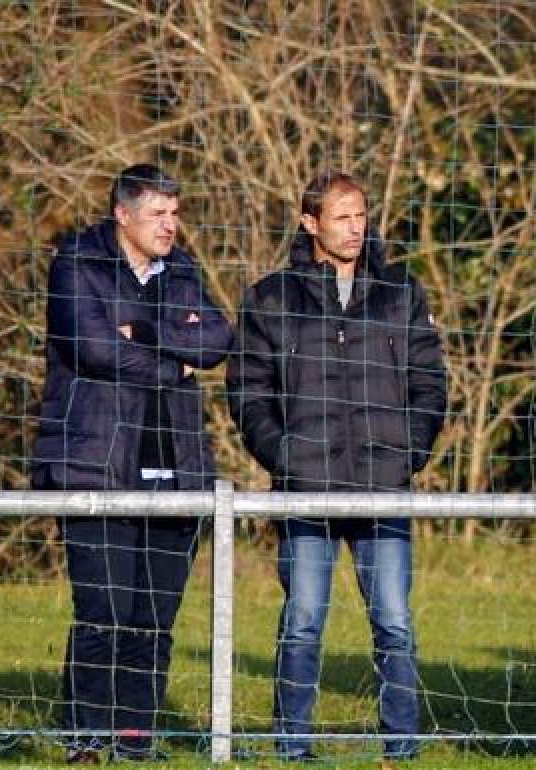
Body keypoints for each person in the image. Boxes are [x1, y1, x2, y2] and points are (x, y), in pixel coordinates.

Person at [227, 172, 447, 762]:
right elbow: (247, 391)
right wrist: (285, 455)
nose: (356, 227)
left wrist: (409, 450)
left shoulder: (400, 291)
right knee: (302, 620)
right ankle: (292, 746)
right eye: (343, 216)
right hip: (307, 488)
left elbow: (430, 384)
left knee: (395, 623)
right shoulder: (271, 298)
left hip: (384, 485)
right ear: (310, 222)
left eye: (362, 215)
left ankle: (401, 747)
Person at [32, 164, 233, 763]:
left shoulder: (185, 269)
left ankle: (135, 738)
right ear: (123, 214)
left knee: (153, 617)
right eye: (158, 215)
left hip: (176, 467)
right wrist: (173, 363)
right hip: (94, 466)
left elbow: (219, 340)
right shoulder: (77, 265)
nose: (170, 226)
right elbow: (92, 349)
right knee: (105, 612)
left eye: (175, 214)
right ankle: (86, 737)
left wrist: (143, 329)